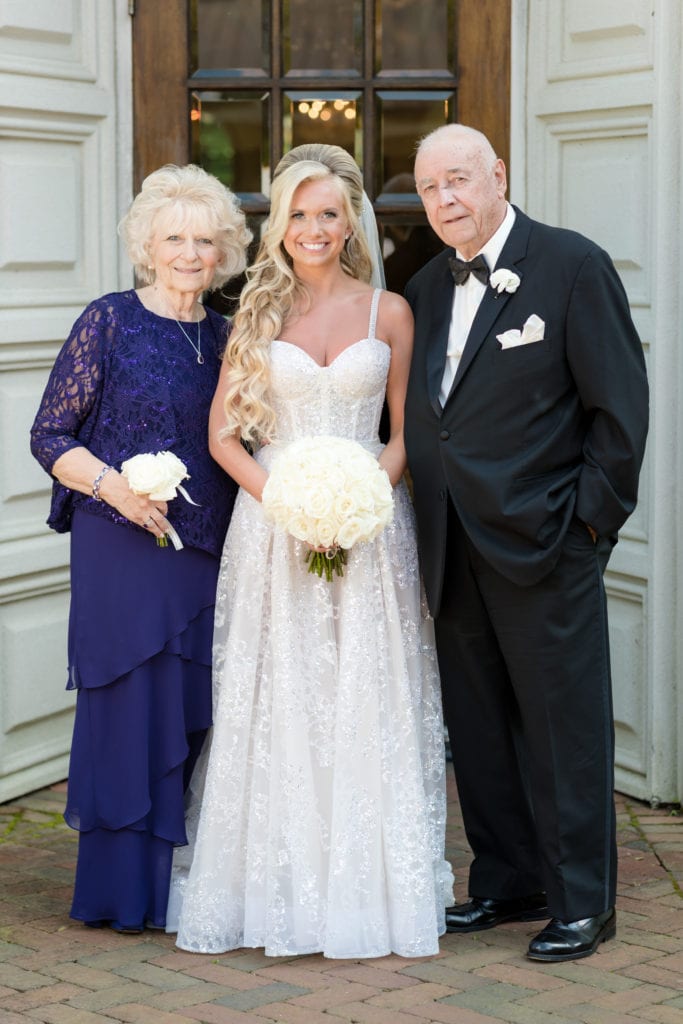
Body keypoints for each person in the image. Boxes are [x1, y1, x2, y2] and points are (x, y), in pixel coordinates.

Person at [167, 144, 453, 958]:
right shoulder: (256, 311)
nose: (314, 228)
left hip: (370, 527)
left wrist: (364, 500)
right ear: (278, 225)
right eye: (298, 214)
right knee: (285, 694)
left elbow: (405, 434)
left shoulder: (386, 313)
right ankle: (279, 885)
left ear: (350, 219)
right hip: (277, 527)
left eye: (328, 212)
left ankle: (369, 887)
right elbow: (223, 438)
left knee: (367, 688)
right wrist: (289, 504)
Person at [403, 123, 649, 962]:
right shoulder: (427, 287)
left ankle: (583, 900)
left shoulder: (571, 264)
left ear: (497, 175)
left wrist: (586, 524)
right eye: (431, 188)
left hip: (545, 541)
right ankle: (508, 882)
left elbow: (618, 412)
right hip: (449, 545)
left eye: (459, 180)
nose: (446, 201)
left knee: (560, 729)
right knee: (477, 729)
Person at [30, 164, 251, 933]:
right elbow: (49, 433)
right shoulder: (110, 321)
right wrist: (117, 491)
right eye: (174, 238)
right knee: (127, 709)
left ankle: (173, 884)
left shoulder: (230, 337)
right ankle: (119, 894)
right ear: (147, 247)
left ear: (224, 252)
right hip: (118, 546)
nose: (190, 253)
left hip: (201, 551)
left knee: (188, 711)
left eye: (205, 240)